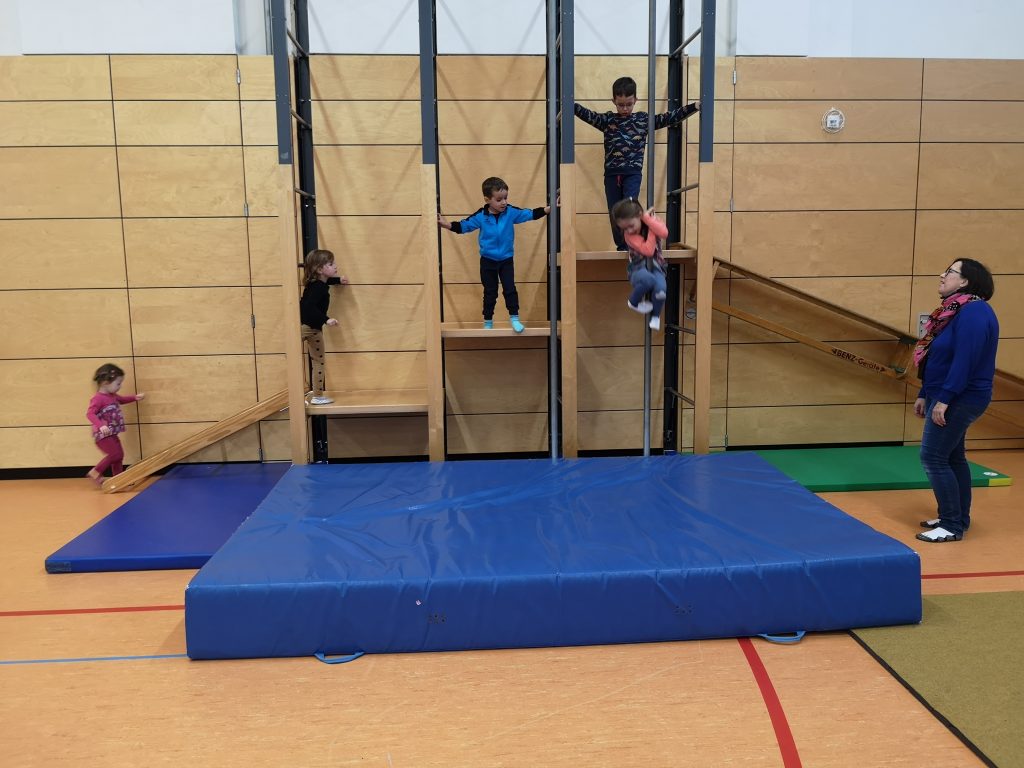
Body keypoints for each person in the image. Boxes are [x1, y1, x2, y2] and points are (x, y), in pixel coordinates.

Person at [913, 258, 999, 543]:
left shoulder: (974, 312)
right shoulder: (953, 311)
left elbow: (966, 360)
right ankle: (957, 517)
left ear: (965, 281)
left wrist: (945, 398)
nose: (942, 275)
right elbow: (936, 356)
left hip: (961, 397)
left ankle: (951, 525)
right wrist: (925, 393)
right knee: (952, 456)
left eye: (950, 272)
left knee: (933, 456)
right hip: (944, 393)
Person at [574, 76, 698, 251]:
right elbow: (588, 115)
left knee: (629, 207)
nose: (625, 109)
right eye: (620, 105)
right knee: (614, 212)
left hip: (632, 174)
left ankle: (633, 242)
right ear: (613, 101)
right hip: (611, 175)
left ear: (635, 100)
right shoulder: (608, 120)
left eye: (629, 104)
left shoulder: (642, 120)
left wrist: (694, 106)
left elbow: (668, 118)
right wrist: (570, 104)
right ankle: (622, 246)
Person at [438, 176, 551, 332]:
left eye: (505, 198)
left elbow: (530, 214)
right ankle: (488, 321)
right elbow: (464, 226)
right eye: (499, 199)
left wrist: (549, 209)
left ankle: (515, 318)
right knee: (490, 292)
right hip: (487, 261)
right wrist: (446, 224)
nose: (504, 202)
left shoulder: (511, 212)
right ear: (487, 199)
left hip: (506, 260)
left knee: (510, 289)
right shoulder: (481, 216)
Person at [300, 249, 348, 405]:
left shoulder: (317, 284)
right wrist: (326, 320)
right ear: (320, 269)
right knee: (318, 362)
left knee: (317, 361)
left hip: (308, 327)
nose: (335, 266)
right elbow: (308, 306)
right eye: (331, 264)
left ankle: (317, 395)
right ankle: (317, 396)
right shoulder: (318, 287)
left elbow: (326, 282)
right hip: (310, 328)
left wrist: (338, 280)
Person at [613, 198, 668, 332]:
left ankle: (655, 316)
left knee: (661, 291)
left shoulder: (651, 220)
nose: (629, 230)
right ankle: (633, 302)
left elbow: (664, 233)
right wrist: (651, 229)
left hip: (657, 266)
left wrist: (648, 220)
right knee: (648, 280)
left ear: (639, 215)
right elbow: (648, 251)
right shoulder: (629, 236)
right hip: (637, 268)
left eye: (631, 225)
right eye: (624, 228)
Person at [86, 363, 144, 486]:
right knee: (114, 454)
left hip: (112, 433)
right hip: (103, 435)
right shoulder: (98, 398)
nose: (120, 386)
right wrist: (101, 425)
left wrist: (135, 398)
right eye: (118, 384)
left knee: (119, 456)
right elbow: (90, 414)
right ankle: (95, 472)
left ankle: (119, 479)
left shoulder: (112, 396)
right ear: (105, 383)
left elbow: (122, 400)